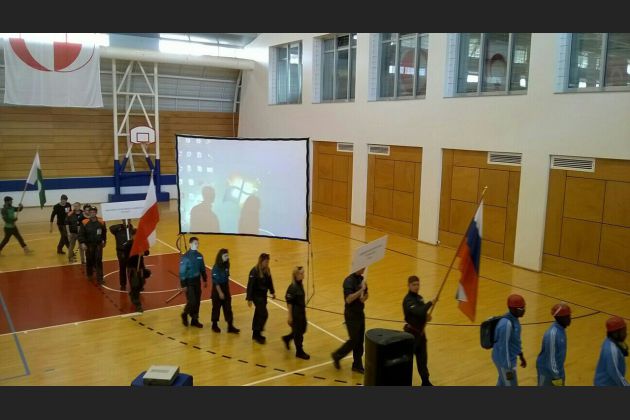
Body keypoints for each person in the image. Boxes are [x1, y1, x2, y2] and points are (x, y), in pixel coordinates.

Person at [331, 267, 368, 374]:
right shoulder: (348, 281)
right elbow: (348, 299)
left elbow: (366, 296)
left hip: (360, 313)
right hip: (351, 315)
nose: (364, 269)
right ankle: (337, 355)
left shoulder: (362, 279)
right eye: (362, 267)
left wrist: (364, 296)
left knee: (360, 341)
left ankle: (357, 364)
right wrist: (360, 290)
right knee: (354, 340)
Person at [402, 275, 436, 386]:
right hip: (411, 335)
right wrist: (430, 303)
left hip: (421, 335)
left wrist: (426, 317)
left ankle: (425, 381)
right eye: (414, 285)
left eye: (418, 284)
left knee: (422, 360)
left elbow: (422, 314)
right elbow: (419, 311)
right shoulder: (408, 300)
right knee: (407, 361)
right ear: (409, 286)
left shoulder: (420, 298)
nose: (416, 287)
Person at [492, 294, 527, 386]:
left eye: (524, 307)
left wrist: (520, 355)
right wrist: (507, 369)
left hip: (509, 359)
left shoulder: (515, 319)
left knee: (503, 383)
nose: (524, 310)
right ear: (512, 309)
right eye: (521, 309)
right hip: (504, 361)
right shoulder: (506, 324)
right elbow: (503, 348)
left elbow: (516, 340)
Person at [536, 303, 571, 386]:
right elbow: (551, 359)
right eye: (567, 316)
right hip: (548, 373)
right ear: (560, 318)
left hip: (558, 370)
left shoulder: (561, 330)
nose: (570, 319)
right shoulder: (553, 335)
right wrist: (557, 377)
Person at [246, 252, 275, 344]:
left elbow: (270, 282)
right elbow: (250, 285)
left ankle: (255, 334)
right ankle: (258, 332)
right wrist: (249, 299)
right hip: (256, 296)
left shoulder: (267, 270)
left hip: (263, 296)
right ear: (261, 261)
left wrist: (272, 292)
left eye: (268, 262)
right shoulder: (254, 271)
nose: (267, 263)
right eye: (266, 262)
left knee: (258, 314)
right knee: (264, 314)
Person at [282, 266, 310, 360]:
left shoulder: (300, 284)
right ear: (296, 275)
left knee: (303, 329)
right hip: (296, 313)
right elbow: (289, 302)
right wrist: (290, 316)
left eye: (303, 273)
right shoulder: (293, 287)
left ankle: (287, 338)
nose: (303, 275)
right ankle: (299, 351)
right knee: (298, 333)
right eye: (301, 273)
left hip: (301, 311)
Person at [179, 237, 208, 328]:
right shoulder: (185, 257)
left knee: (197, 301)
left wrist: (205, 279)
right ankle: (185, 314)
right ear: (190, 244)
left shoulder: (200, 255)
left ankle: (195, 320)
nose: (197, 245)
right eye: (195, 243)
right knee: (192, 301)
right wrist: (183, 285)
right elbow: (182, 272)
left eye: (198, 243)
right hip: (189, 282)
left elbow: (202, 268)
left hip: (197, 281)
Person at [210, 248, 240, 334]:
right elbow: (216, 282)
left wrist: (227, 291)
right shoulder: (216, 267)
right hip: (217, 290)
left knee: (228, 308)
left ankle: (230, 326)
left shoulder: (227, 265)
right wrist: (220, 293)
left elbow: (227, 277)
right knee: (216, 308)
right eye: (225, 256)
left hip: (225, 287)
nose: (227, 257)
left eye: (227, 255)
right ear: (220, 257)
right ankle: (214, 325)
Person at [594, 316, 629, 386]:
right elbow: (614, 372)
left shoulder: (610, 340)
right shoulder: (611, 350)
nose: (626, 333)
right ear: (615, 333)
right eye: (623, 331)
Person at [78, 206, 107, 285]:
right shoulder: (84, 222)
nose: (92, 213)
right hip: (88, 245)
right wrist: (82, 243)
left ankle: (100, 278)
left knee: (98, 260)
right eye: (91, 212)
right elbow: (81, 234)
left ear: (96, 213)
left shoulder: (101, 221)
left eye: (94, 212)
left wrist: (104, 241)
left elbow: (104, 232)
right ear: (89, 213)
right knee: (89, 260)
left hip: (98, 244)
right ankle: (89, 274)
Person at [109, 220, 135, 290]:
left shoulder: (132, 230)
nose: (127, 222)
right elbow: (111, 228)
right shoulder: (118, 230)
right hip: (121, 251)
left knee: (131, 268)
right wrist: (121, 226)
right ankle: (123, 284)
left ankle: (132, 283)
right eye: (125, 220)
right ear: (122, 221)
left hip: (130, 251)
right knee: (122, 267)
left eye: (129, 220)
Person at [126, 241, 151, 313]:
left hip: (140, 267)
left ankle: (133, 293)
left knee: (141, 284)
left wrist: (143, 253)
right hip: (132, 268)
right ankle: (137, 305)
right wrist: (136, 253)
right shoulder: (128, 245)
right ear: (132, 236)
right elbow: (126, 256)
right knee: (135, 285)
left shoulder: (141, 243)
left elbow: (147, 252)